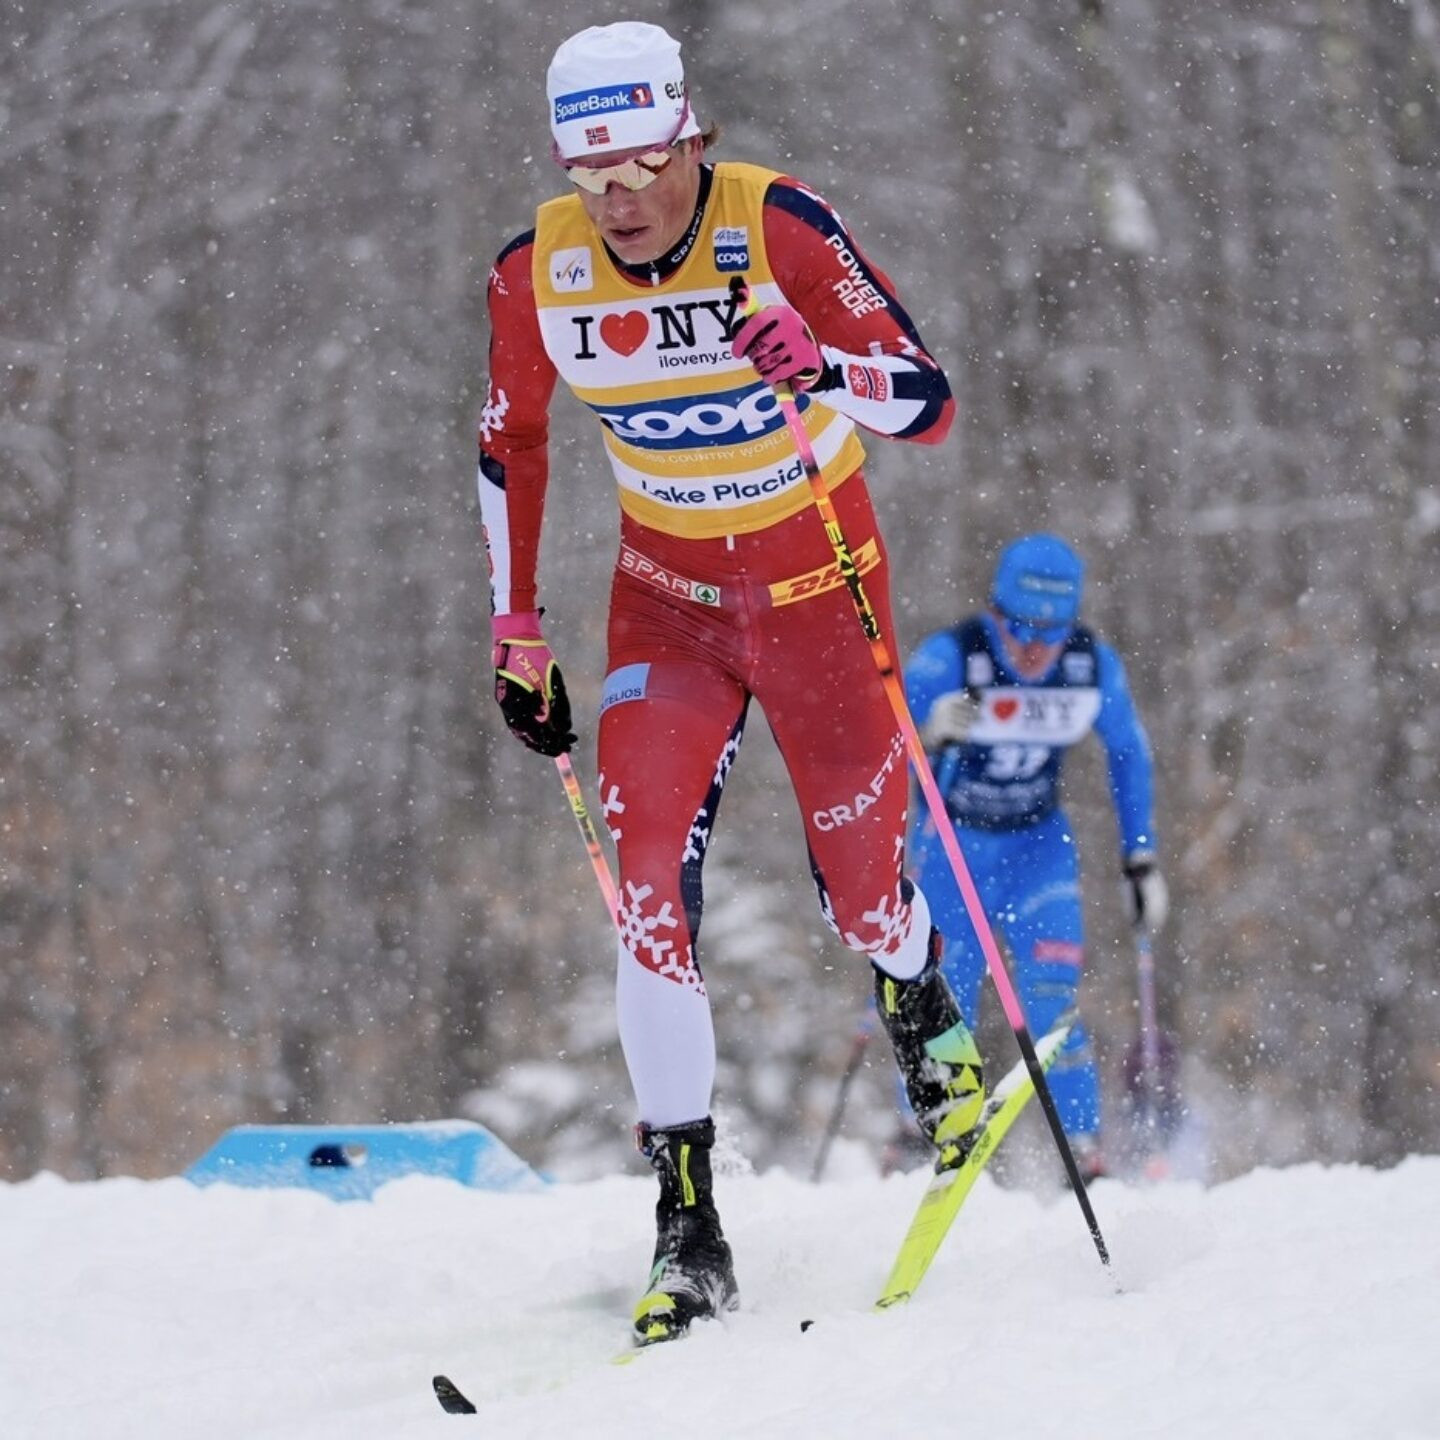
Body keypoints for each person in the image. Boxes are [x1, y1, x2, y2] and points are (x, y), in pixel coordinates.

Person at [477, 20, 983, 1345]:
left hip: (821, 588)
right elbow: (511, 438)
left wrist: (823, 368)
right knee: (645, 887)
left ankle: (918, 990)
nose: (619, 199)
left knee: (860, 894)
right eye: (590, 175)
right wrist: (515, 625)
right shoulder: (538, 271)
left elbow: (929, 401)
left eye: (642, 166)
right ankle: (687, 1223)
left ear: (689, 137)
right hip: (670, 603)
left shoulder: (781, 227)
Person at [900, 533, 1168, 1181]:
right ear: (996, 612)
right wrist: (924, 733)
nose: (1034, 648)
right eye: (1020, 628)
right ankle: (921, 1139)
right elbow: (875, 746)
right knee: (945, 1000)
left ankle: (1084, 1150)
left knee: (1051, 999)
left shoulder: (1089, 665)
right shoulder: (950, 658)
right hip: (955, 849)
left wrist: (1140, 858)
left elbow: (1128, 752)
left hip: (1038, 850)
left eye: (1051, 632)